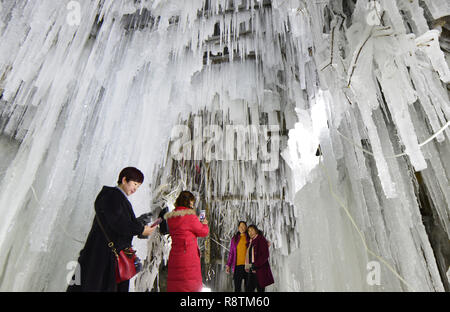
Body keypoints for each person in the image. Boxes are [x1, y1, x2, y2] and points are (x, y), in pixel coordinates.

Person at [67, 167, 156, 292]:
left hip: (107, 257)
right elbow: (118, 223)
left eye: (138, 186)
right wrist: (140, 229)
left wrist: (139, 224)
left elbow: (119, 222)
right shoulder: (111, 196)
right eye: (134, 184)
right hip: (102, 257)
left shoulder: (117, 198)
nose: (135, 189)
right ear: (124, 180)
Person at [165, 191, 209, 292]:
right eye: (192, 203)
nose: (193, 206)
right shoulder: (190, 216)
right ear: (189, 202)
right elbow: (203, 232)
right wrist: (204, 223)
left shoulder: (171, 216)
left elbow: (183, 228)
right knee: (189, 284)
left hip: (175, 255)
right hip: (188, 256)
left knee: (176, 284)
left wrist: (195, 221)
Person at [245, 224, 274, 292]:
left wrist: (256, 264)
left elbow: (265, 255)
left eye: (252, 230)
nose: (250, 232)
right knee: (249, 289)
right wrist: (248, 266)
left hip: (260, 270)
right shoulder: (251, 242)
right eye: (249, 231)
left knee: (260, 289)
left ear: (256, 231)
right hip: (252, 269)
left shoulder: (261, 239)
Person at [225, 221, 250, 292]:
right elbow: (231, 253)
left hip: (247, 265)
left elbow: (258, 241)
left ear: (246, 227)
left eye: (244, 226)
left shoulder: (249, 237)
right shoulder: (235, 239)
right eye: (240, 226)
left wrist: (265, 243)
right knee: (237, 288)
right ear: (238, 228)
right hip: (237, 266)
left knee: (248, 288)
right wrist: (228, 265)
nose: (242, 228)